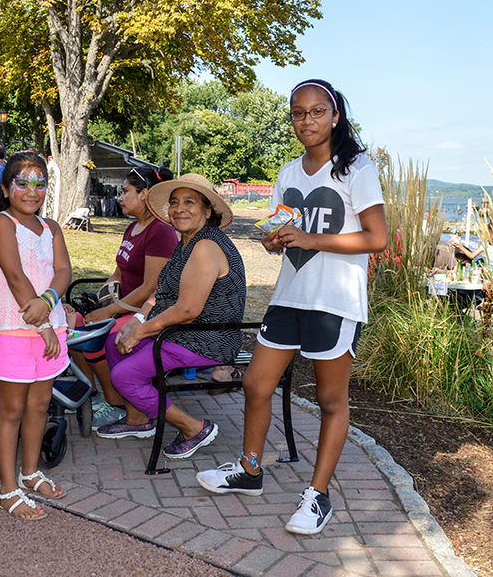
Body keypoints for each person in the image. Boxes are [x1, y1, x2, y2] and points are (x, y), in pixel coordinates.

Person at [196, 79, 388, 535]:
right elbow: (285, 231)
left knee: (329, 400)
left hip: (335, 302)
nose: (307, 120)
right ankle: (250, 469)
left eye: (317, 111)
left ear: (336, 114)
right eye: (298, 113)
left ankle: (318, 496)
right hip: (290, 296)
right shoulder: (287, 172)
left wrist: (309, 239)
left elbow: (376, 238)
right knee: (256, 384)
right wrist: (275, 239)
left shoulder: (357, 169)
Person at [95, 173, 246, 462]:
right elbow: (161, 295)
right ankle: (138, 419)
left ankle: (194, 428)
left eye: (190, 202)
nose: (179, 209)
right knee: (115, 343)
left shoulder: (205, 246)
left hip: (207, 339)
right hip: (183, 332)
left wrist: (140, 332)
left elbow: (188, 310)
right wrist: (136, 322)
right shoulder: (186, 243)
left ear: (207, 210)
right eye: (175, 202)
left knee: (124, 376)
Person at [0, 152, 71, 521]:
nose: (32, 191)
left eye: (40, 183)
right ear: (6, 188)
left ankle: (30, 471)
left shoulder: (51, 227)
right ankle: (7, 490)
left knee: (39, 405)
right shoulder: (1, 224)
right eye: (22, 182)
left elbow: (64, 269)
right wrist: (43, 324)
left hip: (51, 327)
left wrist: (50, 302)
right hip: (12, 329)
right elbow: (16, 277)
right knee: (13, 409)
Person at [76, 165, 178, 429]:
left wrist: (109, 313)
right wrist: (101, 301)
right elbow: (118, 273)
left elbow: (150, 289)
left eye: (125, 191)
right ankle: (97, 395)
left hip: (147, 311)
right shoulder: (132, 227)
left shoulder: (160, 231)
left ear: (144, 194)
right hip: (124, 308)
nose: (120, 197)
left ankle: (117, 404)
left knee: (100, 336)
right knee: (75, 327)